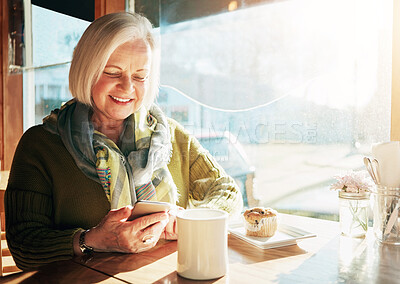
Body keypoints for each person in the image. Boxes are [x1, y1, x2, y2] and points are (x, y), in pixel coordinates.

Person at [5, 12, 243, 270]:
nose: (128, 87)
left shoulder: (170, 135)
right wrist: (93, 240)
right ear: (87, 71)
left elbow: (226, 190)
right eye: (112, 72)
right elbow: (24, 246)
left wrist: (191, 220)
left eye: (140, 76)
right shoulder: (40, 145)